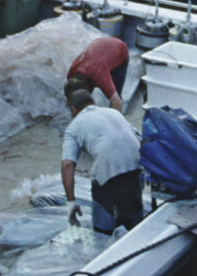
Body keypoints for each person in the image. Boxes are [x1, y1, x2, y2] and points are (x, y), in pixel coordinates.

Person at [61, 84, 143, 232]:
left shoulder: (74, 127)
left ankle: (104, 234)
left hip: (108, 170)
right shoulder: (113, 112)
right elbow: (138, 138)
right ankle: (135, 232)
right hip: (136, 166)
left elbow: (67, 165)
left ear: (73, 109)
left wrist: (71, 202)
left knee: (103, 221)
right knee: (133, 217)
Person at [67, 34, 128, 111]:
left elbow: (117, 102)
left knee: (116, 95)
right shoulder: (71, 73)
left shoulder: (99, 76)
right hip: (99, 48)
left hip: (118, 49)